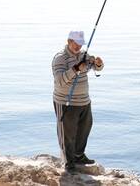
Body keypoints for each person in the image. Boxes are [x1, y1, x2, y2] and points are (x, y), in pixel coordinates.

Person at [52, 30, 104, 173]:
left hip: (84, 101)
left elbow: (95, 68)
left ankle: (79, 155)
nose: (79, 47)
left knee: (85, 128)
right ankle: (69, 163)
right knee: (68, 133)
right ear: (69, 42)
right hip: (66, 102)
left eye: (81, 44)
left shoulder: (83, 56)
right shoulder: (60, 59)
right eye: (76, 43)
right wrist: (75, 69)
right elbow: (59, 81)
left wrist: (98, 64)